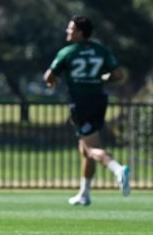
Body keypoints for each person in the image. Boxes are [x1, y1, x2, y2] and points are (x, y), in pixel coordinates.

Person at [43, 15, 130, 206]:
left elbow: (49, 75)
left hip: (80, 102)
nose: (68, 32)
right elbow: (118, 74)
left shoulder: (68, 52)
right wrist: (102, 79)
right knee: (84, 149)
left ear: (81, 33)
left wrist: (52, 82)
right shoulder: (101, 50)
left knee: (91, 148)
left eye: (71, 29)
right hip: (99, 100)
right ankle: (84, 194)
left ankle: (117, 169)